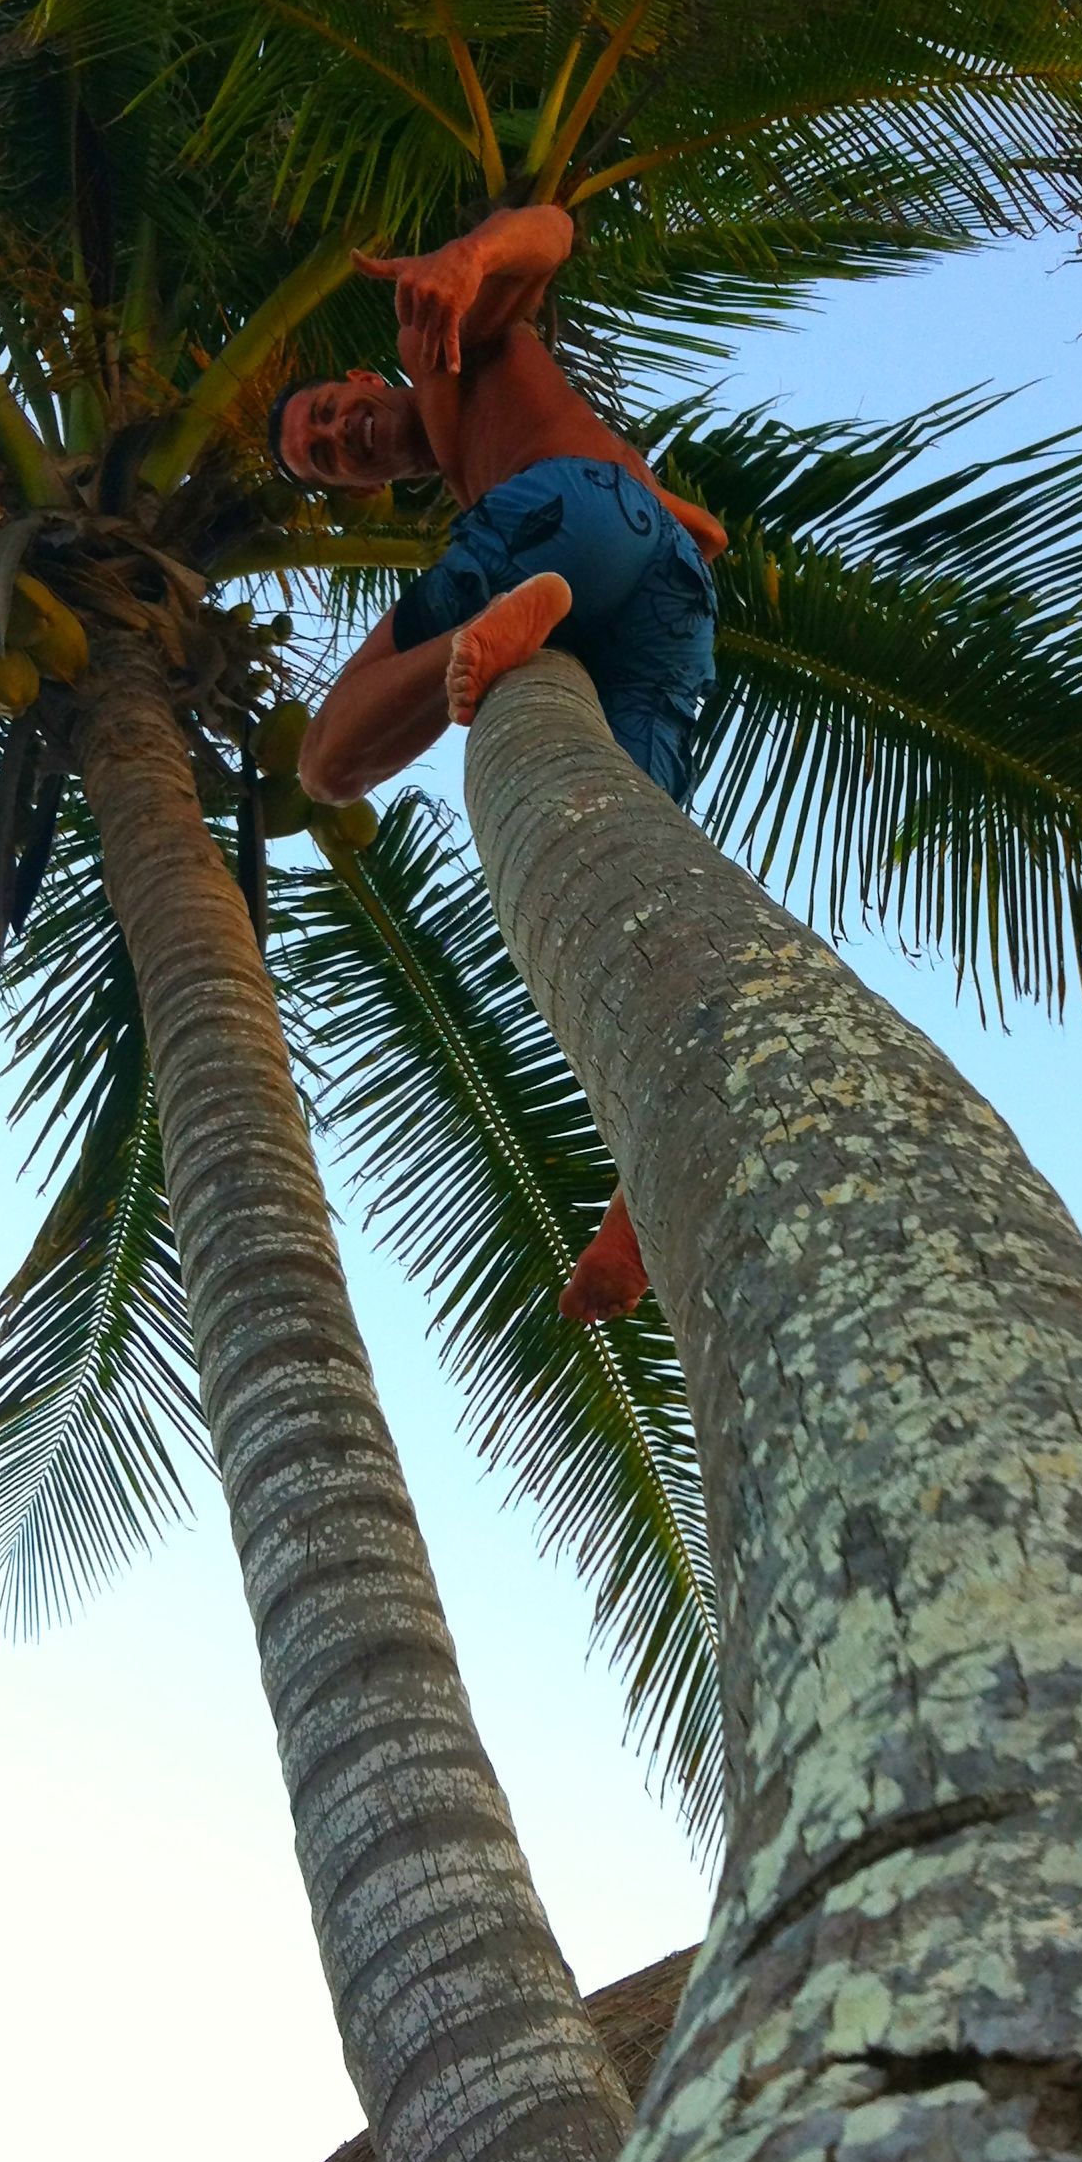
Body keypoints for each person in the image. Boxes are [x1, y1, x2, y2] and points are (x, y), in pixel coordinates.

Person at [269, 203, 724, 1325]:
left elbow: (555, 231)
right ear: (355, 495)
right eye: (324, 459)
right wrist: (651, 507)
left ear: (368, 383)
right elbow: (695, 527)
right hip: (665, 585)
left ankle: (491, 639)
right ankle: (640, 1198)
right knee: (638, 881)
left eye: (331, 413)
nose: (339, 437)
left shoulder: (444, 345)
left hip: (559, 522)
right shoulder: (479, 432)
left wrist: (464, 260)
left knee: (327, 763)